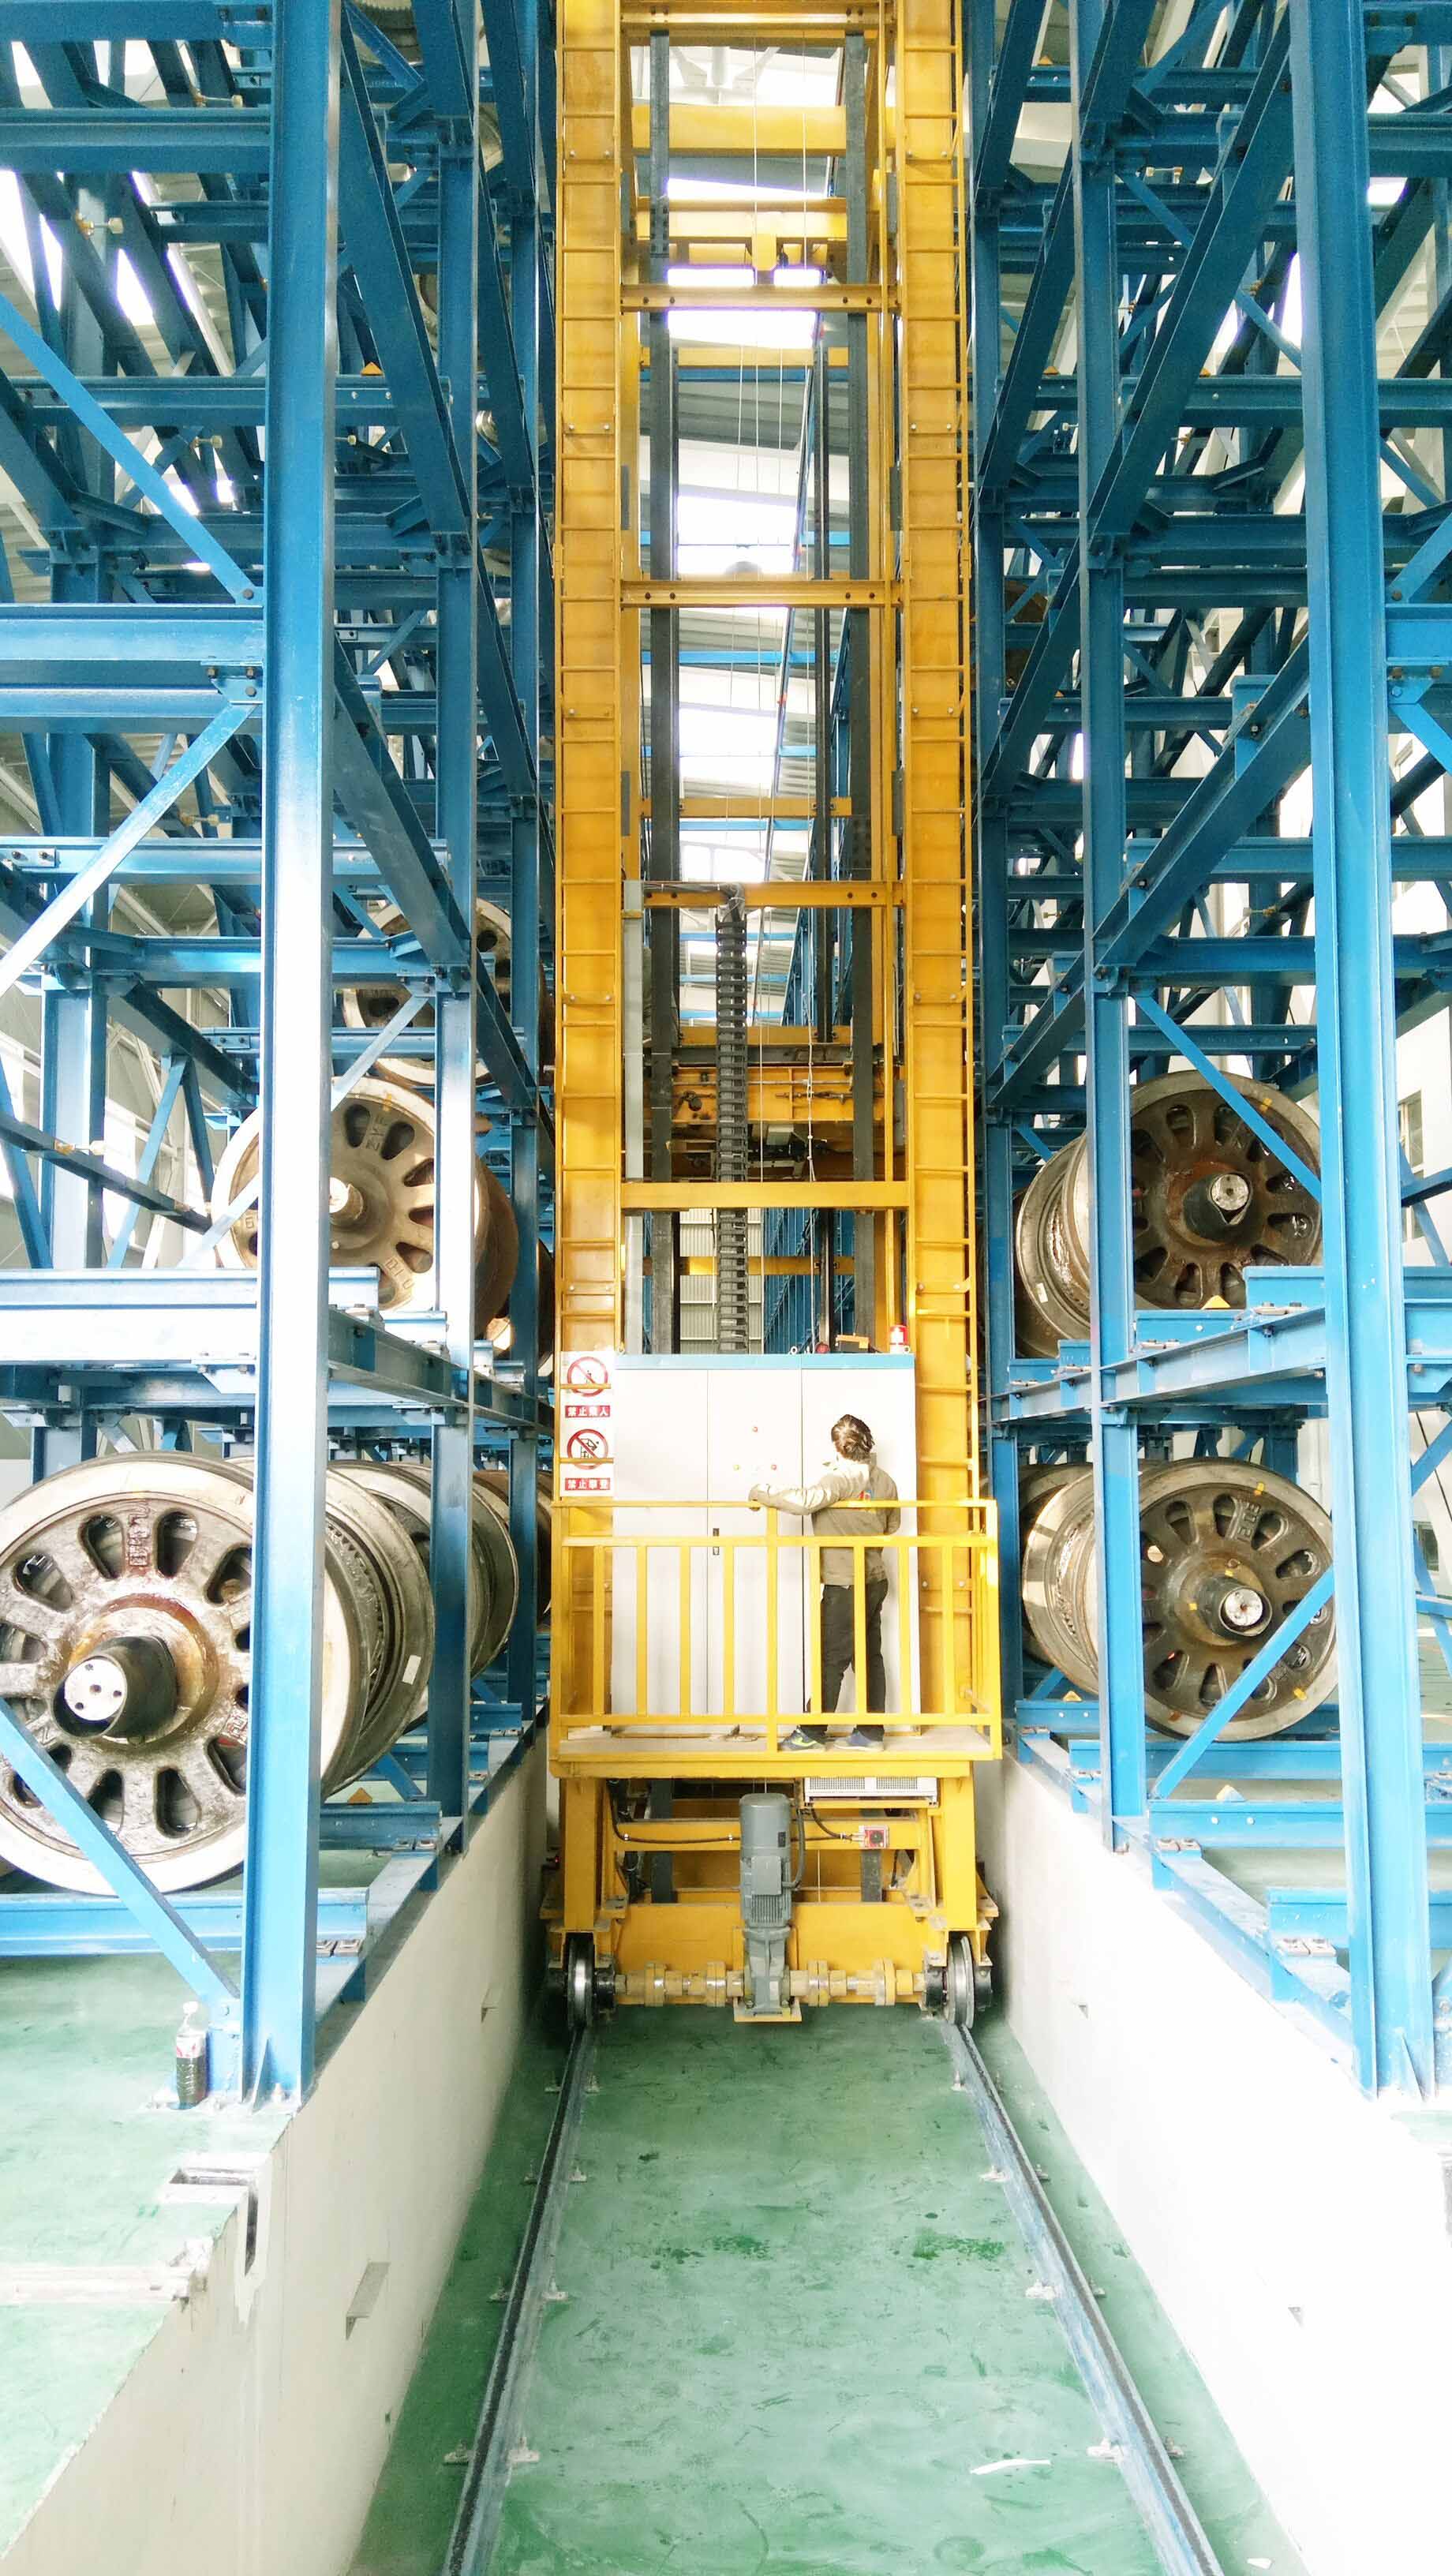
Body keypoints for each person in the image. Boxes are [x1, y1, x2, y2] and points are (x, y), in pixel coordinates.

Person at [747, 1413, 900, 1751]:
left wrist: (762, 1491)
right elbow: (892, 1526)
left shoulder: (840, 1479)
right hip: (875, 1579)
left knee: (830, 1657)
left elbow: (804, 1501)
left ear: (838, 1447)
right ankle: (871, 1733)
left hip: (844, 1584)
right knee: (869, 1657)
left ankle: (812, 1733)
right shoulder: (885, 1481)